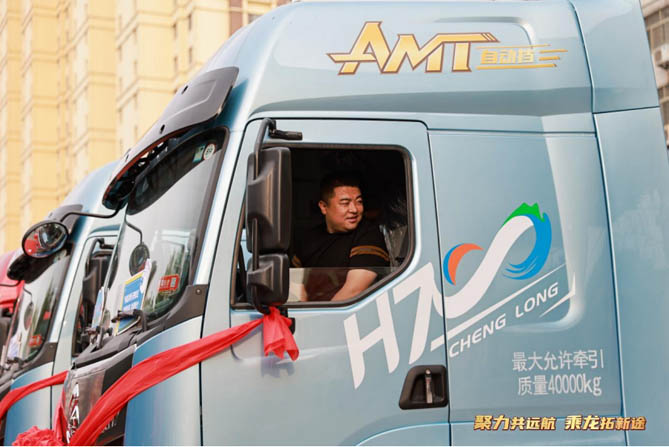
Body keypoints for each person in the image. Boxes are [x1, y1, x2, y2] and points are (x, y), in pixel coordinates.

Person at [291, 172, 389, 301]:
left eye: (359, 202)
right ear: (324, 207)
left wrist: (321, 313)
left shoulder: (368, 234)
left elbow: (354, 290)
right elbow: (292, 282)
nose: (354, 209)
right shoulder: (309, 239)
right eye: (345, 203)